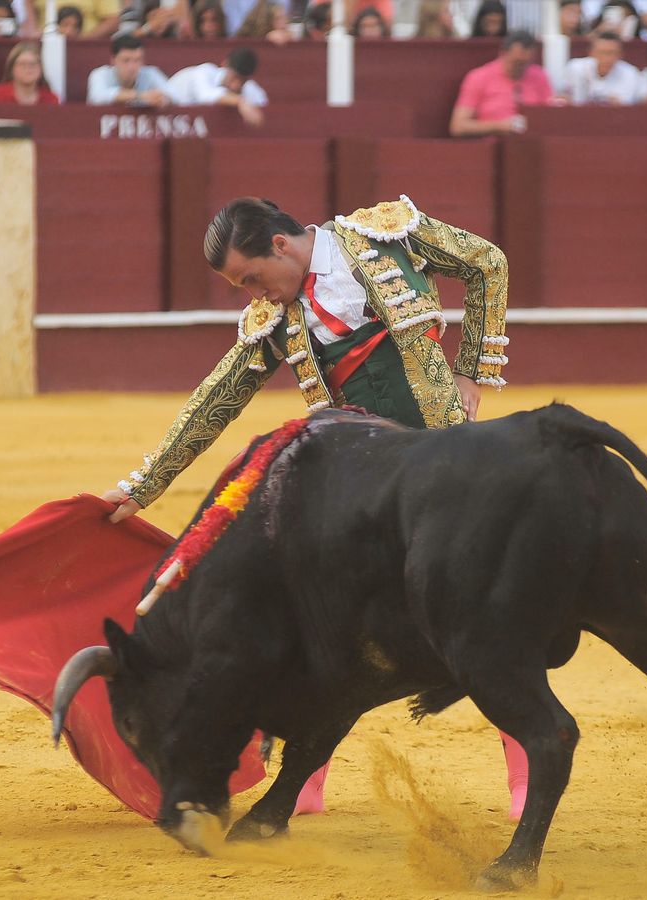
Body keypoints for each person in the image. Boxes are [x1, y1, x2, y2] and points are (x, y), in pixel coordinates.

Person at [99, 195, 524, 820]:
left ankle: (525, 773)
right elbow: (214, 401)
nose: (254, 296)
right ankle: (304, 784)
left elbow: (487, 262)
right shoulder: (279, 319)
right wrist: (140, 487)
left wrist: (474, 373)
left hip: (447, 464)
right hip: (360, 488)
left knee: (483, 613)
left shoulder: (381, 237)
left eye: (250, 279)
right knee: (324, 626)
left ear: (280, 246)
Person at [449, 30, 552, 136]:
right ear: (503, 54)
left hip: (532, 142)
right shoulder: (479, 77)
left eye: (526, 63)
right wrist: (499, 126)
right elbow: (458, 126)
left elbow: (550, 115)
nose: (521, 68)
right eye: (516, 62)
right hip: (491, 144)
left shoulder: (539, 76)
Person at [167, 47, 267, 127]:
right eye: (234, 77)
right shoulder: (204, 71)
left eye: (243, 80)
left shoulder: (249, 86)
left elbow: (261, 100)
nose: (236, 85)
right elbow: (205, 96)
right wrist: (241, 101)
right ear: (225, 65)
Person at [88, 33, 171, 106]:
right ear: (113, 60)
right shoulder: (100, 74)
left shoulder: (151, 73)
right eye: (126, 60)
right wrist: (140, 96)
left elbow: (174, 96)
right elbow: (98, 96)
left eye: (137, 60)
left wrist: (162, 100)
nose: (131, 67)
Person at [562, 31, 641, 105]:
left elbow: (626, 106)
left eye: (611, 52)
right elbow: (564, 96)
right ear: (591, 52)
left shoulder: (630, 73)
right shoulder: (575, 67)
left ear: (620, 54)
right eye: (601, 52)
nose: (606, 58)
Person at [0, 41, 61, 105]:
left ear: (40, 68)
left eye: (33, 64)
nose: (28, 68)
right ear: (12, 68)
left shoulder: (51, 99)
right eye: (22, 64)